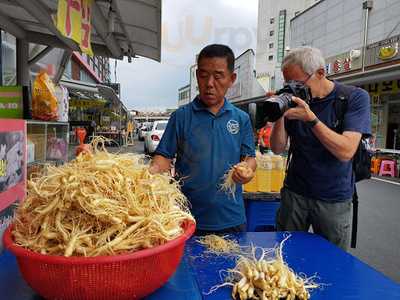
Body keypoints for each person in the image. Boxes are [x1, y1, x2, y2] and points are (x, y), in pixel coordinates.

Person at [269, 47, 371, 250]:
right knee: (284, 253)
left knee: (332, 261)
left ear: (320, 73)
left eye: (297, 83)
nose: (293, 89)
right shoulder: (293, 100)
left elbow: (346, 151)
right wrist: (278, 113)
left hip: (333, 199)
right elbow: (278, 147)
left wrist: (311, 119)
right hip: (295, 193)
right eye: (287, 84)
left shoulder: (353, 98)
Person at [149, 44, 257, 234]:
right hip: (186, 218)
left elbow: (249, 158)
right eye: (204, 75)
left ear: (231, 79)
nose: (209, 83)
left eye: (218, 76)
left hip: (231, 218)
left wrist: (247, 170)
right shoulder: (181, 117)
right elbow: (164, 157)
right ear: (197, 75)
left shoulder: (241, 119)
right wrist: (149, 175)